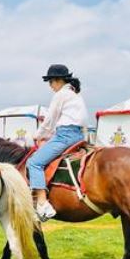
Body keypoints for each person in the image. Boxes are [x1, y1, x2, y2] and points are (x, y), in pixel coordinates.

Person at [27, 64, 88, 221]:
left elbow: (50, 120)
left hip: (65, 135)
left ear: (58, 81)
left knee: (34, 162)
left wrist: (37, 135)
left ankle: (42, 204)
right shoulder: (75, 95)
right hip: (77, 135)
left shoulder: (61, 95)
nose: (50, 86)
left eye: (50, 82)